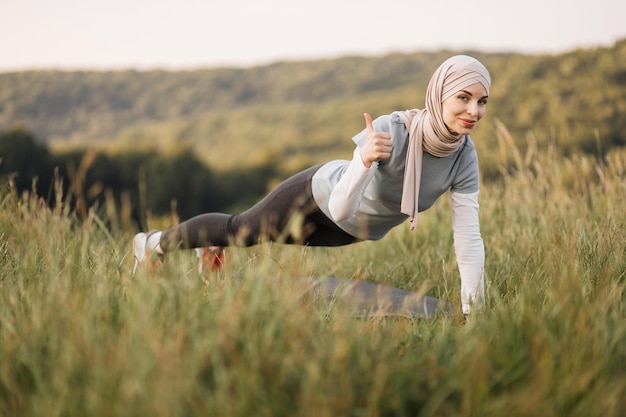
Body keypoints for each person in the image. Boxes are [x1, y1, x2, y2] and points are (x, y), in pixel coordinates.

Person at [133, 55, 490, 315]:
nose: (474, 111)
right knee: (242, 229)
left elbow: (468, 238)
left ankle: (211, 249)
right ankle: (152, 245)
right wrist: (365, 160)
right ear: (439, 93)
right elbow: (338, 207)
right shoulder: (393, 129)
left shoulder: (463, 158)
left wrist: (474, 311)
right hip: (318, 195)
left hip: (353, 230)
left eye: (482, 101)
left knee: (260, 237)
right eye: (463, 97)